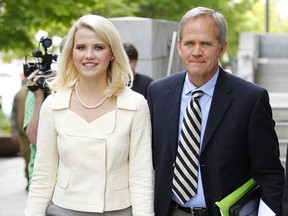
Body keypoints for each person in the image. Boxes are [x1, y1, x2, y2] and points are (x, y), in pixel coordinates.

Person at [147, 6, 284, 216]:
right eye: (189, 43)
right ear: (179, 47)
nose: (196, 51)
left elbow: (270, 172)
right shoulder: (157, 92)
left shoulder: (250, 99)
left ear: (222, 48)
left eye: (206, 43)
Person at [25, 14, 154, 216]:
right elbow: (43, 176)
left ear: (112, 53)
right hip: (63, 209)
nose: (89, 55)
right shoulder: (53, 105)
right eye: (81, 47)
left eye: (98, 47)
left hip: (118, 210)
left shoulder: (135, 105)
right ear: (71, 53)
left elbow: (142, 178)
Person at [10, 84, 30, 190]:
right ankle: (28, 180)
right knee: (26, 156)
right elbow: (14, 113)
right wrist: (13, 130)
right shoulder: (19, 94)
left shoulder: (40, 91)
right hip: (23, 133)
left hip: (38, 131)